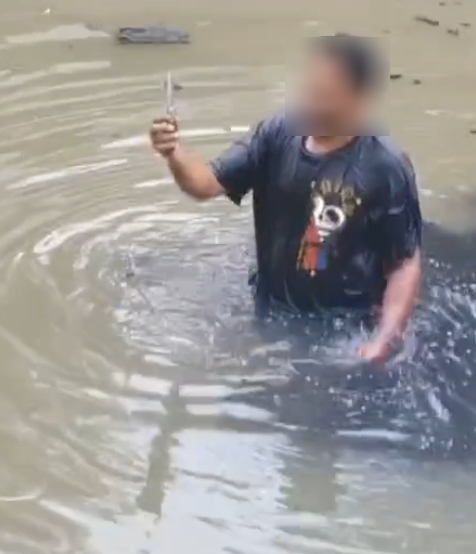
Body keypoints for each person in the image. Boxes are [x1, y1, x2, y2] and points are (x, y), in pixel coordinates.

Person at [148, 33, 422, 364]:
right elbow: (204, 184)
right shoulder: (278, 133)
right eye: (311, 91)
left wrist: (385, 339)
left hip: (342, 328)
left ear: (358, 97)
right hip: (270, 309)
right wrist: (174, 153)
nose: (311, 105)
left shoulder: (385, 167)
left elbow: (404, 263)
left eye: (325, 96)